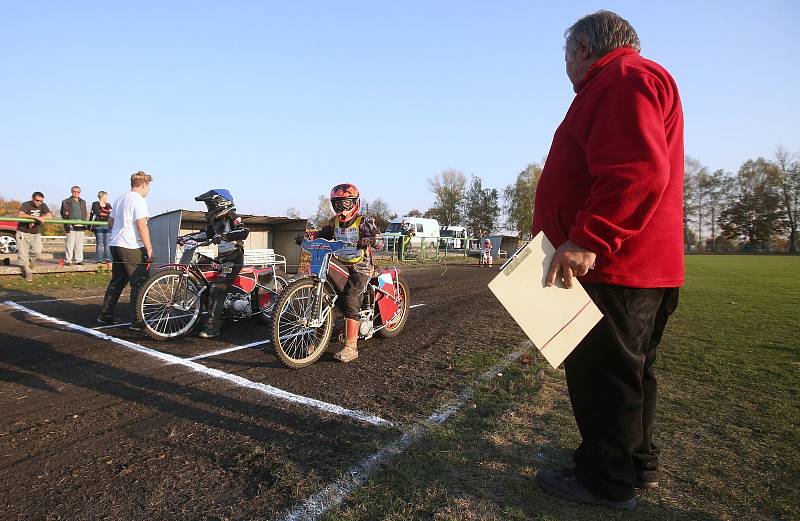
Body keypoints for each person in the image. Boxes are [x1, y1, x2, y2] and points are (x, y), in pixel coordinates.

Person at [532, 11, 684, 511]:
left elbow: (636, 170)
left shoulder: (620, 78)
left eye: (565, 55)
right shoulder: (632, 79)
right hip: (639, 265)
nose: (565, 66)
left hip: (614, 267)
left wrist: (587, 239)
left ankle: (604, 478)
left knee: (602, 374)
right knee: (631, 372)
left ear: (580, 50)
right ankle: (635, 461)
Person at [298, 183, 383, 362]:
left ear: (354, 202)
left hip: (361, 266)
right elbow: (320, 235)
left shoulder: (364, 221)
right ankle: (319, 339)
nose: (340, 207)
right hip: (341, 263)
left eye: (345, 203)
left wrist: (369, 240)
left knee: (350, 297)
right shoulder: (334, 222)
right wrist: (306, 237)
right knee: (326, 297)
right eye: (337, 203)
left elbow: (379, 241)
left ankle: (351, 346)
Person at [177, 189, 250, 338]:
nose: (209, 209)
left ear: (221, 203)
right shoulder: (216, 222)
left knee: (218, 287)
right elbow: (203, 234)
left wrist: (225, 236)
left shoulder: (233, 216)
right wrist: (184, 238)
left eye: (211, 205)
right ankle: (217, 315)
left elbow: (244, 231)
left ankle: (214, 327)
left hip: (234, 258)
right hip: (221, 260)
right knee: (202, 284)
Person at [97, 172, 154, 330]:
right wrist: (149, 248)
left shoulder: (119, 199)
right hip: (131, 245)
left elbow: (110, 222)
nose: (148, 189)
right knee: (139, 283)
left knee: (117, 281)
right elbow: (141, 225)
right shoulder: (139, 200)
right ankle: (137, 321)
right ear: (143, 184)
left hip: (116, 244)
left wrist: (118, 234)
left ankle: (105, 315)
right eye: (148, 186)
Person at [16, 192, 53, 282]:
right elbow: (20, 214)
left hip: (36, 232)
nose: (39, 203)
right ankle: (28, 272)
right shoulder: (26, 204)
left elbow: (50, 216)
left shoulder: (43, 205)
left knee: (37, 251)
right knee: (23, 252)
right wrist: (34, 218)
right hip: (23, 232)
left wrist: (40, 217)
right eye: (37, 200)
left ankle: (29, 262)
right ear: (32, 198)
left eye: (41, 201)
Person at [60, 185, 89, 265]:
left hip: (81, 224)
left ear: (80, 192)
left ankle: (78, 260)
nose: (76, 193)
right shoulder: (66, 201)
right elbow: (63, 213)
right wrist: (69, 220)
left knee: (79, 244)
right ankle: (68, 260)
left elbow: (85, 213)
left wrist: (85, 223)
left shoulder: (83, 201)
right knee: (70, 243)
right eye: (74, 191)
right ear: (71, 192)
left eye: (78, 192)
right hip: (71, 224)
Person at [90, 191, 113, 265]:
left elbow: (111, 213)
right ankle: (99, 260)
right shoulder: (95, 204)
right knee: (99, 243)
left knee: (107, 243)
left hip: (107, 225)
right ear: (102, 196)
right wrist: (106, 212)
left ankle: (108, 259)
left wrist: (103, 212)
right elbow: (97, 212)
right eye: (105, 197)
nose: (107, 198)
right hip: (98, 225)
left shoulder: (108, 204)